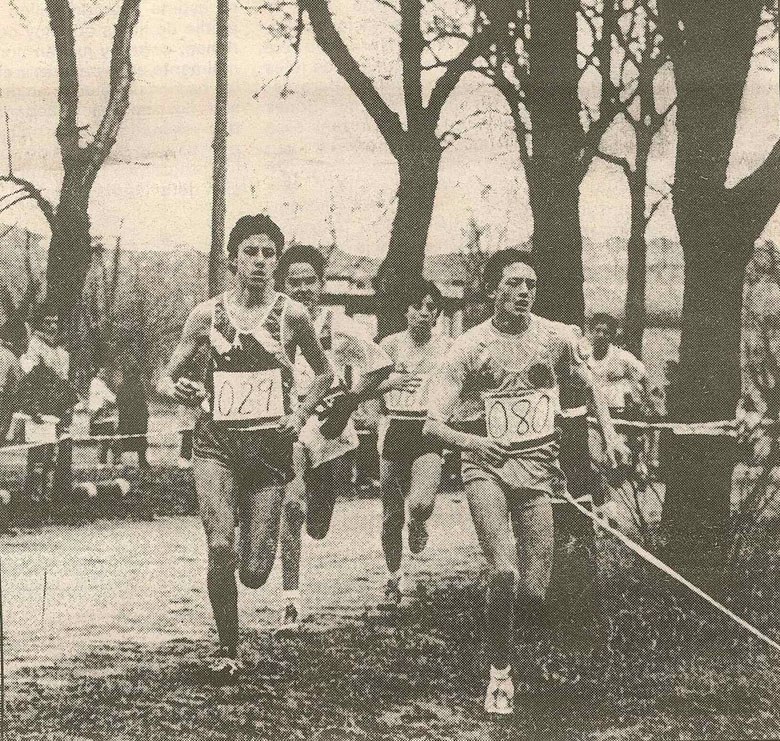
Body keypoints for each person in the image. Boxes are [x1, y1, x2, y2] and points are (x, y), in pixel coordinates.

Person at [423, 249, 628, 715]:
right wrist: (473, 443)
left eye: (530, 284)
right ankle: (499, 675)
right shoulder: (469, 347)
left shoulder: (554, 339)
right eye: (513, 283)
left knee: (534, 592)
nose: (523, 292)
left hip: (538, 473)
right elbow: (432, 425)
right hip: (487, 467)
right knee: (504, 570)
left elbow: (591, 384)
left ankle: (504, 633)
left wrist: (610, 434)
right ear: (492, 290)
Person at [158, 214, 334, 680]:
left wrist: (299, 415)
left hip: (269, 451)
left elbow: (325, 373)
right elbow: (166, 376)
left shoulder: (292, 315)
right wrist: (179, 389)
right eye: (250, 252)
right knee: (220, 547)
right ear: (232, 260)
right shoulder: (206, 315)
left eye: (268, 253)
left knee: (254, 572)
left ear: (277, 262)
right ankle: (228, 649)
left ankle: (247, 539)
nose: (259, 261)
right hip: (216, 445)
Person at [276, 244, 392, 631]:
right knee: (292, 506)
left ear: (322, 284)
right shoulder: (273, 322)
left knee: (317, 525)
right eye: (294, 282)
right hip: (289, 427)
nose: (302, 289)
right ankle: (291, 601)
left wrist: (351, 398)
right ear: (282, 285)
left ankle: (312, 510)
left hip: (331, 432)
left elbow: (381, 364)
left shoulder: (338, 325)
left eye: (310, 281)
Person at [374, 279, 451, 608]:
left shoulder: (448, 347)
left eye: (430, 308)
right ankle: (393, 578)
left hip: (428, 429)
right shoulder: (389, 345)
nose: (422, 313)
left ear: (437, 314)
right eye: (416, 306)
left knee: (419, 504)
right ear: (406, 311)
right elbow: (368, 385)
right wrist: (391, 384)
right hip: (395, 425)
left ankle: (418, 522)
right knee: (391, 513)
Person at [586, 313, 657, 509]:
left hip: (618, 417)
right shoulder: (584, 357)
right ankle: (608, 504)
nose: (601, 335)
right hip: (593, 418)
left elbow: (644, 377)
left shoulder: (622, 357)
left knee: (617, 466)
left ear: (612, 335)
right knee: (595, 460)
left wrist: (647, 403)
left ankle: (636, 463)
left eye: (606, 332)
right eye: (597, 331)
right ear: (591, 332)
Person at [116, 354, 150, 469]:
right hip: (131, 418)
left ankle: (140, 460)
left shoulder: (131, 386)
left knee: (136, 438)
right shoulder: (132, 386)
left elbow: (141, 402)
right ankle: (139, 460)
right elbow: (120, 402)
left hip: (133, 418)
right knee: (133, 438)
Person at [88, 362, 119, 468]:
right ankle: (109, 461)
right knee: (109, 438)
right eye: (101, 372)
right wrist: (119, 399)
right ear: (97, 373)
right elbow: (110, 397)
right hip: (99, 414)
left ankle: (104, 461)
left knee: (105, 438)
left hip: (99, 414)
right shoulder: (97, 383)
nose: (104, 374)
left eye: (104, 372)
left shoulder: (98, 383)